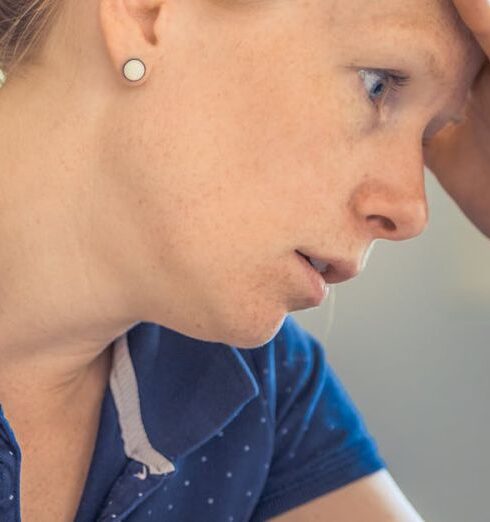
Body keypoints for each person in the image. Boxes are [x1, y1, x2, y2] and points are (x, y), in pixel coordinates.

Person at [0, 0, 488, 521]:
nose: (411, 209)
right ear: (145, 11)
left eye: (428, 135)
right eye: (378, 84)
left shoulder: (252, 390)